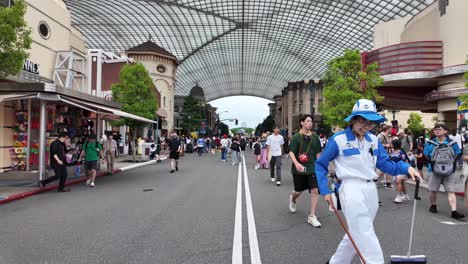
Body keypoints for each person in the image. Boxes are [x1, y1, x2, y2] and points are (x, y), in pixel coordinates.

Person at [316, 99, 422, 264]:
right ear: (353, 119)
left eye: (370, 122)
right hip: (350, 189)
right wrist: (325, 190)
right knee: (365, 232)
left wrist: (406, 168)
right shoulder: (338, 140)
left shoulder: (373, 140)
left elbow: (385, 164)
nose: (366, 126)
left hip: (371, 189)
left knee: (357, 232)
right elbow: (321, 165)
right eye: (362, 121)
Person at [424, 123, 465, 220]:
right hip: (438, 170)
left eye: (439, 129)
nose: (437, 131)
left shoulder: (450, 143)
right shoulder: (431, 142)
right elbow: (457, 155)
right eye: (435, 129)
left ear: (445, 131)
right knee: (433, 189)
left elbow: (426, 155)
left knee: (450, 191)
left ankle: (453, 211)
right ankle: (433, 205)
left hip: (442, 170)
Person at [288, 114, 322, 227]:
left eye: (311, 121)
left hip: (312, 169)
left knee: (314, 191)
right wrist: (297, 163)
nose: (310, 123)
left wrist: (320, 166)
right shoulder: (296, 137)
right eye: (308, 121)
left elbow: (318, 153)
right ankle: (293, 198)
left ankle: (312, 216)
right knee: (298, 191)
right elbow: (291, 152)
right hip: (299, 170)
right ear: (302, 123)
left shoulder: (315, 138)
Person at [389, 139, 410, 203]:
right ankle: (405, 195)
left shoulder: (401, 152)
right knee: (401, 182)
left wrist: (407, 169)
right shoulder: (392, 151)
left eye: (392, 143)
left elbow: (405, 161)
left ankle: (399, 196)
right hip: (395, 169)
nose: (391, 144)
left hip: (402, 169)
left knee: (398, 181)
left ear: (395, 145)